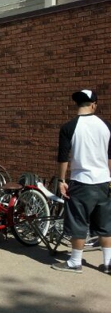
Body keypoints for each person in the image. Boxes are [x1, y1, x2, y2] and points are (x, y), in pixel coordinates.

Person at [52, 89, 111, 274]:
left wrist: (61, 180)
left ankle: (75, 262)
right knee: (106, 224)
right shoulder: (106, 126)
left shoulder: (69, 127)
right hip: (103, 182)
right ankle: (108, 263)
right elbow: (110, 156)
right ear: (94, 104)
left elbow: (63, 157)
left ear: (77, 105)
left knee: (78, 222)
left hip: (80, 181)